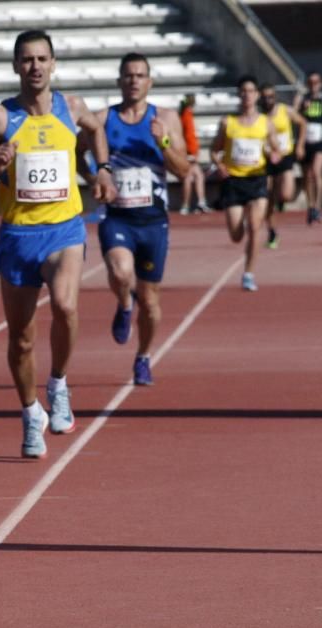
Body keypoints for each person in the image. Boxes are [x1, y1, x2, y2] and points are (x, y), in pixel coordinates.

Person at [0, 29, 115, 458]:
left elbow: (96, 129)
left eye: (42, 59)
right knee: (22, 338)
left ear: (53, 64)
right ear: (16, 66)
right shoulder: (0, 118)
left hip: (64, 228)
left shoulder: (72, 108)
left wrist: (102, 169)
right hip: (18, 236)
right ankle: (31, 411)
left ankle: (59, 383)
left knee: (67, 306)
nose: (35, 66)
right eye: (27, 59)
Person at [92, 52, 189, 387]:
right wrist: (95, 177)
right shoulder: (103, 119)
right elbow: (76, 150)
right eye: (128, 75)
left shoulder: (165, 118)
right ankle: (122, 303)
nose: (134, 80)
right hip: (118, 218)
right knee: (120, 273)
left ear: (149, 81)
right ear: (119, 81)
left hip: (153, 221)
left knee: (150, 300)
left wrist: (163, 141)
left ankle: (143, 356)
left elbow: (185, 169)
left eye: (140, 75)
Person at [210, 74, 280, 292]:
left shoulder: (265, 123)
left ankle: (248, 273)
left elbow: (277, 148)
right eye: (243, 91)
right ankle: (241, 234)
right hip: (233, 180)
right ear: (239, 95)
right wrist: (219, 165)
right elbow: (214, 150)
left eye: (251, 91)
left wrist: (275, 155)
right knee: (236, 234)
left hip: (257, 179)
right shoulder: (227, 122)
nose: (247, 95)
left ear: (257, 95)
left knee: (255, 226)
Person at [260, 82, 306, 250]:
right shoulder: (258, 117)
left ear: (275, 98)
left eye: (270, 97)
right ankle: (272, 232)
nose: (267, 100)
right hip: (265, 159)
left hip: (285, 156)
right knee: (267, 199)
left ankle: (280, 199)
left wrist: (300, 145)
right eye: (264, 97)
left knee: (286, 195)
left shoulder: (284, 111)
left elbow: (302, 123)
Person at [294, 71, 322, 224]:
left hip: (321, 140)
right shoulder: (301, 98)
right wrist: (301, 109)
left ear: (321, 84)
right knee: (307, 176)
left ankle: (318, 207)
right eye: (311, 82)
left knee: (316, 171)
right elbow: (293, 116)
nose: (313, 86)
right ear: (307, 84)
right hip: (305, 141)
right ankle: (311, 206)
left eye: (316, 82)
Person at [177, 93, 210, 215]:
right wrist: (192, 152)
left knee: (196, 176)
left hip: (188, 150)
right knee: (189, 177)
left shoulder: (184, 114)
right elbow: (189, 136)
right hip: (189, 151)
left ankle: (197, 202)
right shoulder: (187, 115)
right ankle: (188, 204)